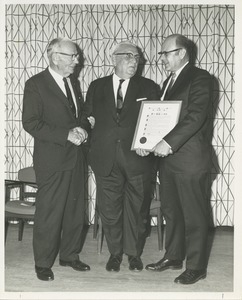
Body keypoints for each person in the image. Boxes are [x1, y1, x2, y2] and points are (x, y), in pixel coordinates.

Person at [84, 41, 159, 272]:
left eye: (137, 57)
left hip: (139, 159)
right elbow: (87, 117)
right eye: (127, 56)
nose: (133, 61)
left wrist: (152, 142)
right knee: (110, 209)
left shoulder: (149, 87)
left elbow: (157, 120)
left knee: (137, 210)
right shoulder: (96, 86)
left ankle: (134, 254)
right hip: (105, 159)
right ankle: (115, 254)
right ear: (113, 58)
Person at [145, 34, 213, 284]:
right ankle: (173, 256)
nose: (161, 58)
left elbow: (195, 116)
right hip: (169, 161)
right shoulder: (167, 83)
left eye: (165, 53)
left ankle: (196, 267)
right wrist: (148, 142)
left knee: (194, 215)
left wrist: (168, 143)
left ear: (181, 53)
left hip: (190, 160)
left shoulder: (200, 78)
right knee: (172, 211)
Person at [22, 37, 91, 281]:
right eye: (72, 56)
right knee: (49, 212)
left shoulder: (72, 82)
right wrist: (66, 135)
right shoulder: (36, 84)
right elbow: (30, 123)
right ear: (55, 57)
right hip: (52, 159)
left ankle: (69, 255)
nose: (77, 60)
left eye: (76, 56)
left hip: (76, 158)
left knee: (74, 210)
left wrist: (83, 127)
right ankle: (43, 262)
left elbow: (79, 115)